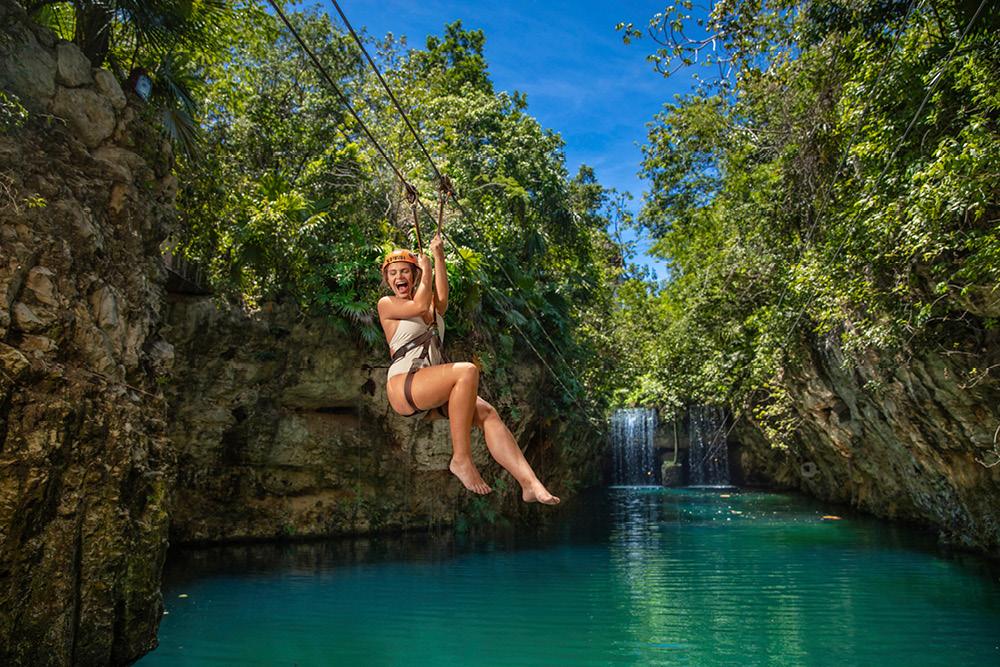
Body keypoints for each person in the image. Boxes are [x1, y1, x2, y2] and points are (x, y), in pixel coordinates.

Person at [377, 233, 559, 504]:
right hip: (404, 384)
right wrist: (426, 270)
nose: (398, 277)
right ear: (388, 279)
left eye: (404, 271)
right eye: (393, 273)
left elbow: (441, 300)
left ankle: (530, 484)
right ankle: (461, 459)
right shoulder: (387, 304)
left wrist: (438, 256)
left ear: (413, 276)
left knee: (488, 414)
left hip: (427, 387)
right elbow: (419, 304)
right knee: (466, 371)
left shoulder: (430, 308)